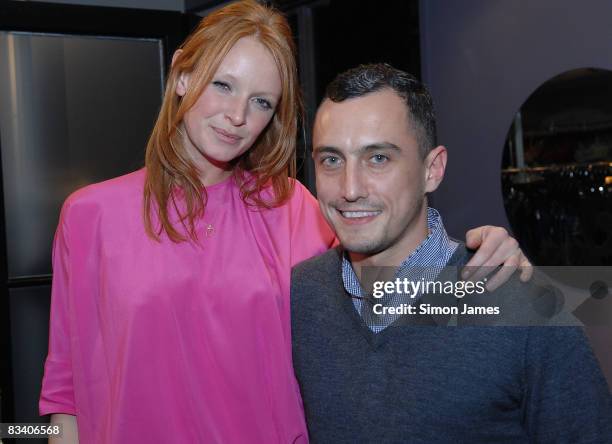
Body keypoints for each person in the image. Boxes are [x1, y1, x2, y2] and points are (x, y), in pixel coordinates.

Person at [40, 2, 531, 443]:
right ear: (183, 76)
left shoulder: (290, 206)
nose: (237, 116)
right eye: (223, 84)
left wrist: (478, 264)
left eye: (261, 102)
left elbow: (389, 288)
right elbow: (64, 393)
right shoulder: (91, 215)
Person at [291, 64, 612, 443]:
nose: (349, 188)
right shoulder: (302, 293)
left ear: (433, 169)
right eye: (331, 160)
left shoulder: (521, 304)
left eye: (378, 158)